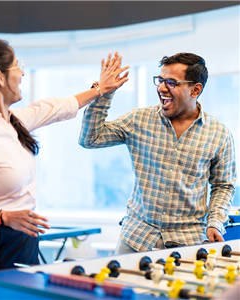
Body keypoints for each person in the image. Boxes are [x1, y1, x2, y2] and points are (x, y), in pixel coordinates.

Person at [0, 38, 129, 300]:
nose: (23, 72)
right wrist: (2, 216)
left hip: (23, 244)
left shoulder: (12, 122)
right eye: (18, 65)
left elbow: (56, 108)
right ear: (0, 77)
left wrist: (100, 88)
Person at [79, 52, 236, 254]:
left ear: (195, 89)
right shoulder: (139, 120)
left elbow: (224, 185)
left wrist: (215, 222)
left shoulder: (219, 134)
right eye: (160, 80)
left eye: (171, 82)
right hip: (135, 240)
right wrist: (104, 92)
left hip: (188, 244)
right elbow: (89, 139)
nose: (161, 88)